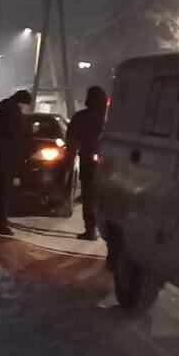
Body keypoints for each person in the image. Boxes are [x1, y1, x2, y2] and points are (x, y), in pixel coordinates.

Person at [0, 89, 33, 235]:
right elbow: (15, 133)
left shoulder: (5, 110)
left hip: (1, 158)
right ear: (22, 103)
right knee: (3, 193)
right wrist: (29, 128)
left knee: (0, 192)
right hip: (5, 159)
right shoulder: (12, 114)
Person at [67, 85, 108, 241]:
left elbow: (72, 140)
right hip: (108, 164)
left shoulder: (81, 117)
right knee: (100, 198)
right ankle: (100, 230)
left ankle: (90, 230)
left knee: (89, 196)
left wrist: (69, 161)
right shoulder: (109, 117)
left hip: (88, 163)